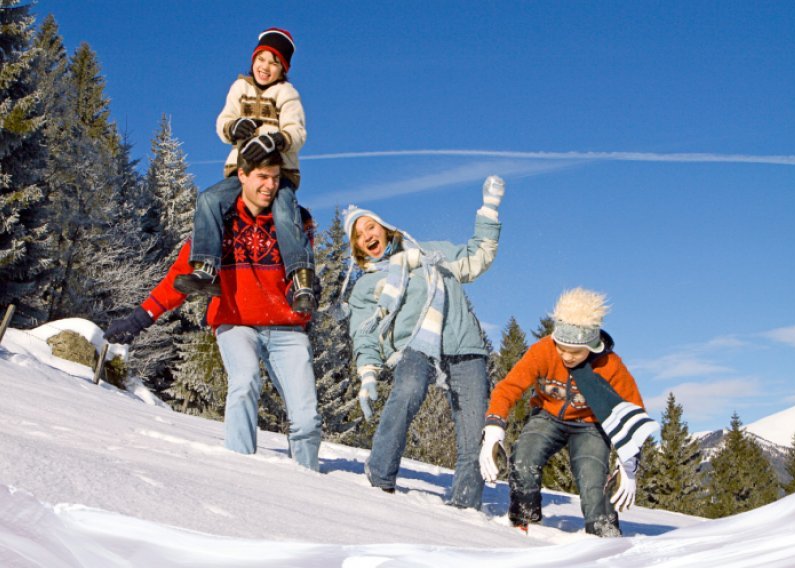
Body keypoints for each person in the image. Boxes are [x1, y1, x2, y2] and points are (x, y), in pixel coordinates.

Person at [104, 152, 322, 471]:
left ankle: (307, 480)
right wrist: (139, 320)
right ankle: (240, 470)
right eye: (261, 176)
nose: (270, 185)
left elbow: (302, 272)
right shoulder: (215, 223)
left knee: (306, 418)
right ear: (240, 177)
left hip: (287, 328)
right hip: (236, 325)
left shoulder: (296, 220)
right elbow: (179, 277)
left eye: (275, 178)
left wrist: (307, 290)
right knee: (245, 380)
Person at [340, 176, 505, 509]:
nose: (367, 236)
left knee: (473, 433)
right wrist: (368, 374)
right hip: (413, 348)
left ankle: (464, 505)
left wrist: (489, 209)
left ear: (385, 228)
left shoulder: (433, 253)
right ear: (357, 248)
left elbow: (478, 259)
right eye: (359, 236)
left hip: (465, 347)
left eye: (370, 227)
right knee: (410, 389)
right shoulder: (368, 285)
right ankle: (380, 476)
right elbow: (365, 332)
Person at [479, 288, 659, 537]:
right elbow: (509, 387)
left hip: (590, 426)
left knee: (593, 478)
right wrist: (493, 428)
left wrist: (629, 464)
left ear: (591, 346)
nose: (565, 356)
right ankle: (523, 519)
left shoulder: (610, 366)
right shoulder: (543, 351)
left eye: (574, 351)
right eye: (561, 348)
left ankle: (603, 532)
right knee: (524, 457)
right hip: (547, 416)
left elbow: (634, 412)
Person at [175, 27, 315, 314]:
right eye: (261, 59)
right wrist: (233, 128)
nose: (265, 67)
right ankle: (205, 268)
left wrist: (276, 138)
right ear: (253, 59)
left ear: (283, 68)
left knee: (285, 211)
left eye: (274, 62)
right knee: (209, 199)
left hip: (279, 174)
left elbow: (297, 132)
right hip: (243, 171)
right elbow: (223, 121)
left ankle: (301, 280)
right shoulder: (240, 88)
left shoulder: (286, 93)